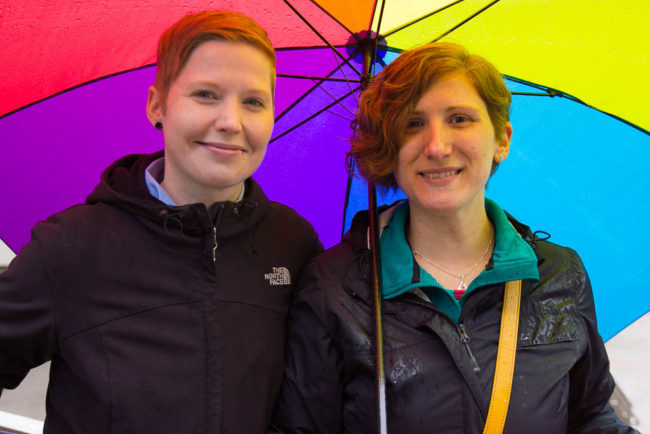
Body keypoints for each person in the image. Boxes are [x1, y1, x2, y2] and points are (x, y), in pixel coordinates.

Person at [272, 42, 634, 433]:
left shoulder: (560, 274)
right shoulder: (333, 288)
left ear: (502, 139)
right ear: (388, 147)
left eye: (459, 119)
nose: (436, 146)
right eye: (411, 123)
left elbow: (591, 416)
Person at [0, 10, 321, 433]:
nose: (230, 122)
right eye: (206, 94)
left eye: (254, 101)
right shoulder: (70, 248)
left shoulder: (293, 243)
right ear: (157, 105)